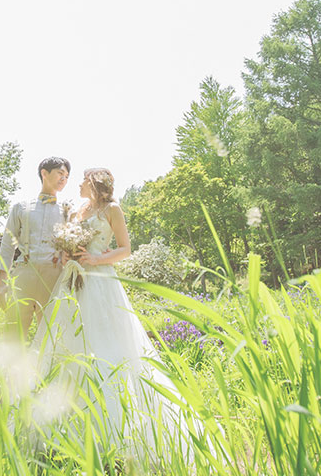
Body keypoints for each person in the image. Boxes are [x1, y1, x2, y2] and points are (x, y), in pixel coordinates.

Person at [30, 168, 215, 467]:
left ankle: (114, 435)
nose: (76, 182)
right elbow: (69, 245)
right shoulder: (77, 210)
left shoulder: (112, 209)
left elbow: (126, 249)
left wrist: (97, 259)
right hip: (71, 282)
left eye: (82, 179)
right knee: (66, 345)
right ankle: (59, 428)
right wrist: (67, 256)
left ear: (94, 183)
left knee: (104, 346)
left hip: (100, 282)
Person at [0, 156, 71, 340]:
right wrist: (0, 283)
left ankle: (44, 369)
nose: (64, 179)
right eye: (60, 173)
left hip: (54, 276)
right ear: (44, 173)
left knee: (50, 334)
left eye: (67, 176)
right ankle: (9, 368)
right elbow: (7, 245)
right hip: (24, 273)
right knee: (14, 330)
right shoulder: (21, 208)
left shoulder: (68, 211)